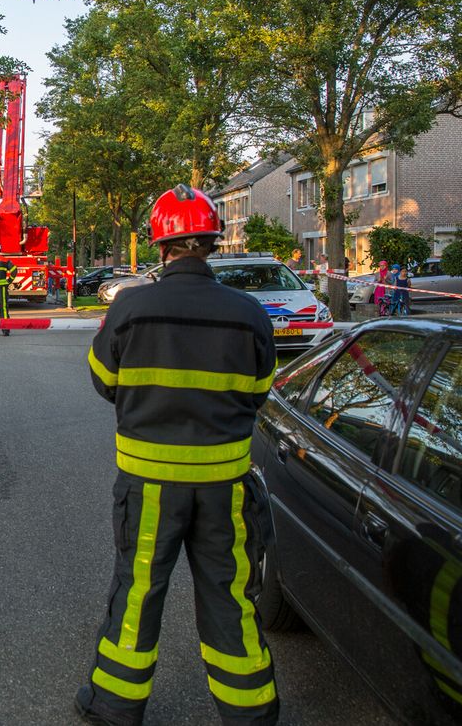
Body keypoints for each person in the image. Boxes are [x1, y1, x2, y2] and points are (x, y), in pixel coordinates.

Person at [77, 184, 279, 726]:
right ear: (210, 243)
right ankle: (250, 712)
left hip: (149, 489)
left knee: (139, 590)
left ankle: (115, 707)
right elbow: (260, 390)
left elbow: (102, 380)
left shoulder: (132, 308)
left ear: (160, 246)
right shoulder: (249, 314)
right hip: (225, 488)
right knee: (230, 595)